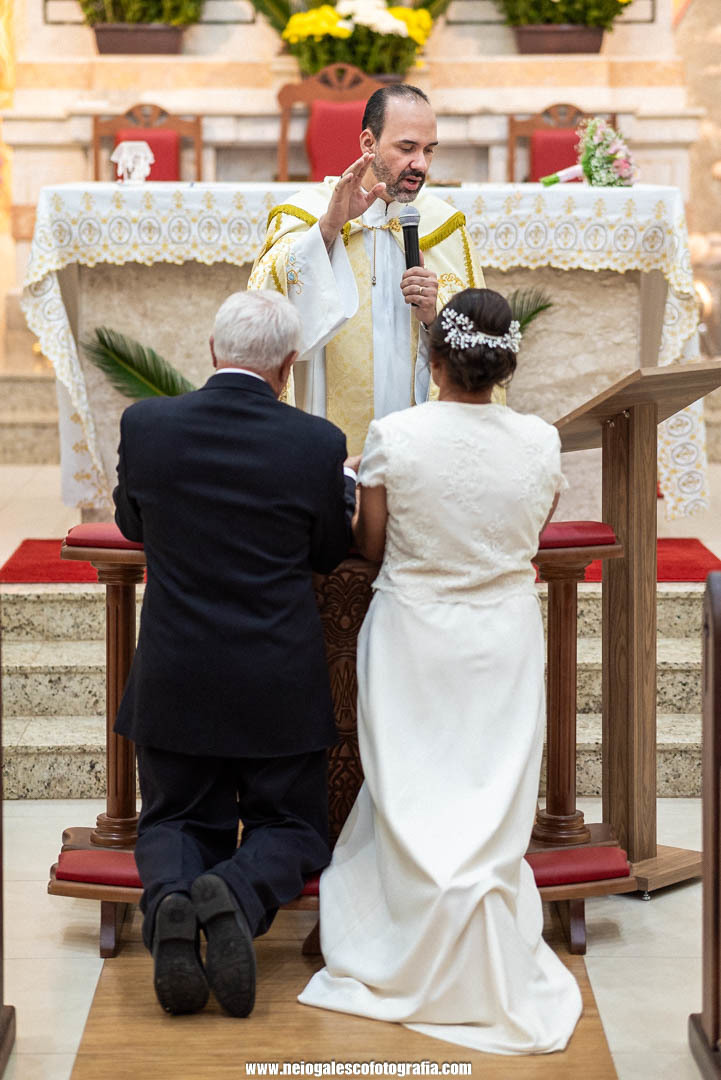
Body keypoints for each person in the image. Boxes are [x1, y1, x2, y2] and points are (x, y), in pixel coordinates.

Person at [298, 288, 583, 1054]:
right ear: (505, 366)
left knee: (414, 791)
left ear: (433, 360)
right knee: (486, 794)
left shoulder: (395, 435)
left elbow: (370, 545)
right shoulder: (538, 441)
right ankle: (481, 928)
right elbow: (529, 534)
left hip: (414, 637)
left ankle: (403, 934)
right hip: (502, 637)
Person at [113, 290, 356, 1018]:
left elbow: (132, 524)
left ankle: (172, 904)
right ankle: (237, 893)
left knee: (174, 821)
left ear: (214, 351)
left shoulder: (147, 425)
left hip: (176, 671)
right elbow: (328, 550)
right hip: (275, 678)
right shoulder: (315, 443)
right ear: (287, 366)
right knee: (293, 827)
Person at [248, 84, 487, 454]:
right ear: (368, 143)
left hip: (417, 447)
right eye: (407, 148)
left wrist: (433, 316)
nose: (421, 164)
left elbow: (479, 345)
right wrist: (327, 230)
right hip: (327, 445)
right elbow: (266, 308)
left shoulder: (444, 227)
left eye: (428, 150)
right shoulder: (309, 215)